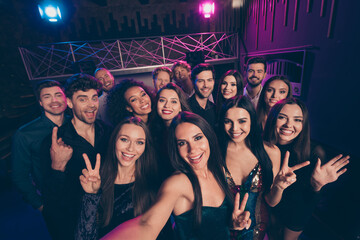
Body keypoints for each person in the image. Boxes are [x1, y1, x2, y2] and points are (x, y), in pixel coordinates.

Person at [102, 112, 252, 240]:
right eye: (182, 143)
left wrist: (234, 224)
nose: (192, 149)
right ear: (176, 148)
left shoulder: (219, 170)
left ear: (209, 138)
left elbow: (216, 226)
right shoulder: (178, 182)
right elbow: (147, 224)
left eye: (198, 138)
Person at [218, 96, 309, 240]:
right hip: (221, 225)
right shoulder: (214, 152)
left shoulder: (271, 151)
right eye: (228, 121)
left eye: (242, 121)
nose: (235, 128)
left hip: (257, 227)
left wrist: (279, 186)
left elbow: (271, 201)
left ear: (252, 121)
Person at [263, 98, 350, 240]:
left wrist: (317, 186)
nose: (289, 124)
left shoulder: (314, 152)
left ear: (304, 124)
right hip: (268, 207)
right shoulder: (264, 147)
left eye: (297, 120)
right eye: (282, 117)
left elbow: (308, 202)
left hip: (296, 212)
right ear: (273, 119)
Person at [41, 73, 112, 240]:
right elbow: (50, 197)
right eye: (82, 99)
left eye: (94, 98)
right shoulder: (55, 142)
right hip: (75, 221)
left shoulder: (109, 132)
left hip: (108, 215)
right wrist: (57, 167)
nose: (91, 105)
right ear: (69, 103)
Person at [75, 117, 160, 239]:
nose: (131, 148)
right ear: (114, 140)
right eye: (124, 139)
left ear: (146, 147)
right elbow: (83, 237)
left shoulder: (153, 184)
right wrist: (91, 195)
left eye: (139, 142)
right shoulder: (96, 180)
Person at [12, 80, 68, 212]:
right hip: (53, 200)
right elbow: (19, 175)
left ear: (66, 99)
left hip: (82, 195)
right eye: (47, 97)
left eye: (58, 95)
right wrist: (39, 204)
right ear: (40, 103)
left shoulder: (76, 124)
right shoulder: (25, 134)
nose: (54, 100)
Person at [151, 82, 192, 181]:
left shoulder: (189, 131)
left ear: (180, 107)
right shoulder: (152, 132)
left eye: (173, 102)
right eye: (162, 100)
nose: (167, 105)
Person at [188, 63, 216, 128]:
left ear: (213, 81)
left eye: (209, 80)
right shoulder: (185, 107)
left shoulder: (215, 108)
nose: (206, 85)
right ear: (193, 82)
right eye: (200, 81)